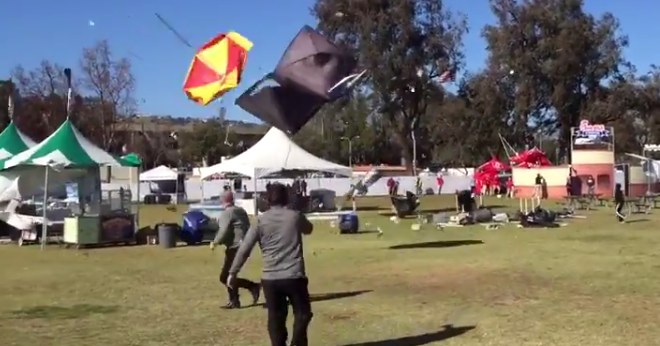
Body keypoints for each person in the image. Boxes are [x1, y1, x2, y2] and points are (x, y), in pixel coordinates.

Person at [228, 183, 314, 346]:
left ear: (268, 200)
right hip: (294, 276)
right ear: (286, 198)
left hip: (270, 278)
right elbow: (309, 229)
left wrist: (233, 272)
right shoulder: (295, 216)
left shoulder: (259, 221)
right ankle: (297, 342)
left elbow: (245, 248)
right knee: (303, 313)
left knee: (276, 317)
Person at [210, 191, 260, 309]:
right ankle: (235, 300)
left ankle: (251, 288)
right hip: (244, 245)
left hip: (235, 247)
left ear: (222, 200)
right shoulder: (240, 210)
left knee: (225, 276)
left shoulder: (227, 213)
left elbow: (223, 230)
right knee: (229, 274)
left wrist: (215, 242)